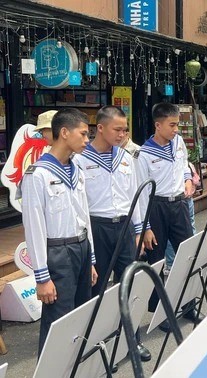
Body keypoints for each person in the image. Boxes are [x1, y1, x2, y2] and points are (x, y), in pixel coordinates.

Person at [72, 106, 151, 361]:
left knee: (128, 283)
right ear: (101, 128)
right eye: (117, 129)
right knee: (97, 289)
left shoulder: (127, 157)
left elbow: (135, 197)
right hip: (98, 227)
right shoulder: (80, 160)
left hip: (125, 227)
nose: (122, 134)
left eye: (125, 129)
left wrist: (139, 231)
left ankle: (132, 340)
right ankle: (98, 348)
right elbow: (80, 204)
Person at [21, 108, 98, 356]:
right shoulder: (37, 174)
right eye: (83, 134)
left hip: (81, 247)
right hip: (58, 252)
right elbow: (34, 227)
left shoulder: (77, 169)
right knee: (58, 320)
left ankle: (77, 365)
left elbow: (84, 216)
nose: (87, 140)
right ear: (64, 132)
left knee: (81, 313)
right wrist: (42, 277)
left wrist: (92, 259)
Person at [135, 102, 195, 312]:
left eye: (177, 124)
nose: (176, 129)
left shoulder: (178, 142)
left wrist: (187, 179)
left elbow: (184, 163)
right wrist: (146, 227)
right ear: (158, 125)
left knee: (187, 255)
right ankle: (159, 311)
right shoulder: (144, 154)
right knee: (156, 262)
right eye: (172, 125)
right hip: (156, 208)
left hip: (179, 205)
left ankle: (189, 305)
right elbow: (142, 194)